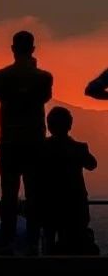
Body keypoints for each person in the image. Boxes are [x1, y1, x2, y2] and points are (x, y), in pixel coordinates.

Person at [0, 30, 53, 254]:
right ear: (33, 49)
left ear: (13, 49)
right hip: (35, 141)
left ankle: (7, 237)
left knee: (8, 193)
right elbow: (42, 97)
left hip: (8, 140)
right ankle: (33, 240)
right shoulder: (44, 78)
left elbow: (5, 95)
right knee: (35, 192)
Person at [39, 106, 97, 254]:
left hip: (50, 204)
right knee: (73, 246)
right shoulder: (78, 148)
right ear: (69, 125)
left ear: (49, 126)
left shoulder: (42, 148)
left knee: (49, 243)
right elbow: (92, 164)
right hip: (75, 206)